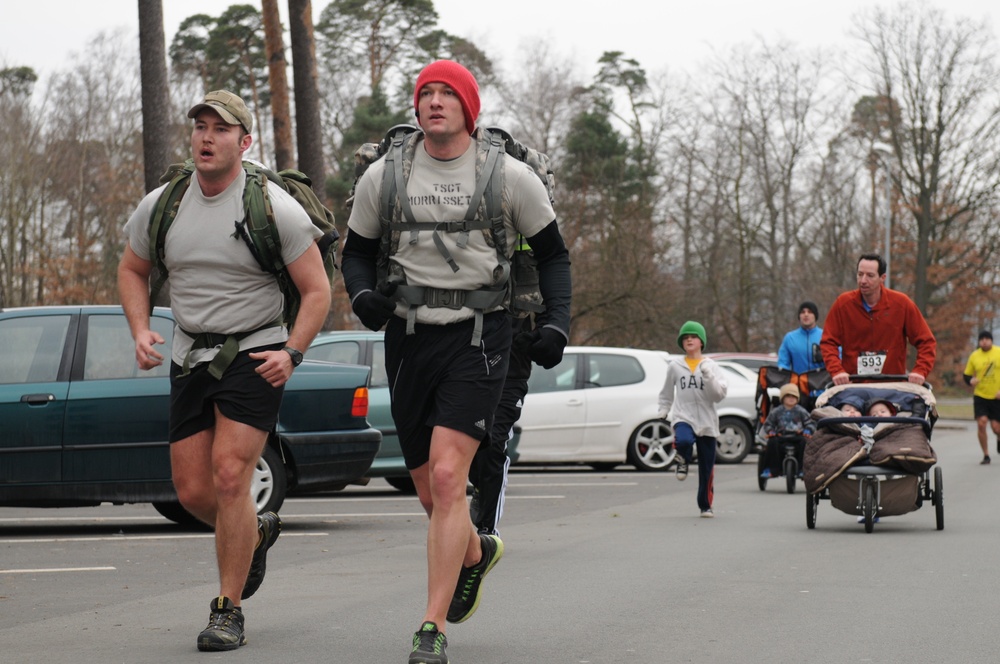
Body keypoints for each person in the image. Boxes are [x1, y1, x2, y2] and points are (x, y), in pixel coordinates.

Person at [340, 60, 571, 664]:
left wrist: (556, 324)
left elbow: (554, 257)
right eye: (426, 94)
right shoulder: (384, 178)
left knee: (449, 480)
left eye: (448, 94)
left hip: (481, 335)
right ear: (416, 108)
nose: (435, 102)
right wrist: (363, 296)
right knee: (427, 491)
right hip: (409, 337)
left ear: (470, 108)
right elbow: (357, 253)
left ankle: (430, 628)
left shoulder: (511, 178)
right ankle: (474, 551)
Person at [117, 90, 331, 651]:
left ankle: (227, 610)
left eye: (221, 129)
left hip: (254, 352)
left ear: (245, 142)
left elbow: (316, 291)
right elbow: (133, 270)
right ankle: (254, 532)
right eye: (200, 127)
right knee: (192, 491)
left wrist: (293, 352)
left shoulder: (273, 209)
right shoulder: (164, 204)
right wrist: (141, 329)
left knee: (232, 476)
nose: (207, 137)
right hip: (190, 355)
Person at [820, 253, 936, 386]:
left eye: (870, 275)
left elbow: (926, 341)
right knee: (847, 408)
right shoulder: (843, 304)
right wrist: (837, 371)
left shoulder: (901, 304)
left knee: (881, 408)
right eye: (860, 274)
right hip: (853, 387)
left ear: (882, 278)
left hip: (892, 387)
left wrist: (920, 371)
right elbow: (828, 342)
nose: (863, 280)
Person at [657, 321, 728, 518]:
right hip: (683, 415)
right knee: (684, 440)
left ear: (701, 342)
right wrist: (664, 408)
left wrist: (707, 376)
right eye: (685, 337)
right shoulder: (675, 366)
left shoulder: (712, 366)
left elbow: (718, 395)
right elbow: (666, 391)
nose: (689, 340)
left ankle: (705, 505)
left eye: (693, 337)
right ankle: (683, 459)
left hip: (707, 420)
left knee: (707, 468)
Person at [759, 383, 814, 479]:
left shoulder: (801, 411)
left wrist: (808, 430)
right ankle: (772, 469)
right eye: (788, 396)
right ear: (782, 398)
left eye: (794, 396)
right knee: (772, 442)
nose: (791, 398)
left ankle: (803, 469)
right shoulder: (776, 411)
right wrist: (771, 431)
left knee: (805, 443)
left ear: (797, 398)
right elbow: (768, 424)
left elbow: (810, 422)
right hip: (781, 436)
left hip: (798, 436)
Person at [963, 330, 1000, 465]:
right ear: (979, 342)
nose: (984, 341)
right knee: (981, 423)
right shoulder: (974, 356)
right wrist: (970, 381)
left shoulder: (998, 352)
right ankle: (986, 455)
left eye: (987, 339)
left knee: (997, 428)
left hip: (996, 397)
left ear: (991, 340)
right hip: (980, 396)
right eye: (982, 339)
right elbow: (966, 375)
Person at [777, 301, 825, 374]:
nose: (806, 315)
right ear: (799, 316)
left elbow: (838, 360)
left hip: (822, 382)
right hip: (798, 382)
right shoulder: (790, 338)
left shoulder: (826, 336)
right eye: (802, 312)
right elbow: (783, 364)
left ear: (815, 316)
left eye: (810, 312)